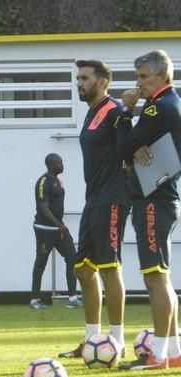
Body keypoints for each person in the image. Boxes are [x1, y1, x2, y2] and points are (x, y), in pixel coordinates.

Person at [58, 60, 131, 359]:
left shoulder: (114, 112)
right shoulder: (92, 113)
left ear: (103, 82)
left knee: (110, 268)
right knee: (83, 269)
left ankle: (117, 341)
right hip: (93, 200)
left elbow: (130, 148)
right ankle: (92, 340)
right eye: (78, 78)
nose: (79, 83)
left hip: (113, 199)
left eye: (85, 78)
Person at [118, 50, 181, 370]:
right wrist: (134, 143)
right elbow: (132, 145)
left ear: (162, 77)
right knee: (161, 277)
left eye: (144, 77)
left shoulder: (159, 106)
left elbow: (122, 145)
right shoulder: (169, 104)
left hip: (154, 200)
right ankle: (172, 350)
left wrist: (127, 113)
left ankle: (158, 355)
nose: (138, 83)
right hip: (161, 198)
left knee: (155, 278)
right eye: (138, 76)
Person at [29, 153, 82, 310]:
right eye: (58, 163)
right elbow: (42, 207)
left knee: (72, 257)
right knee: (41, 262)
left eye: (62, 162)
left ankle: (72, 297)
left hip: (59, 229)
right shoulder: (43, 181)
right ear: (50, 164)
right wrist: (59, 225)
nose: (62, 165)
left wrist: (60, 226)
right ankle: (34, 300)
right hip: (45, 229)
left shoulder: (58, 181)